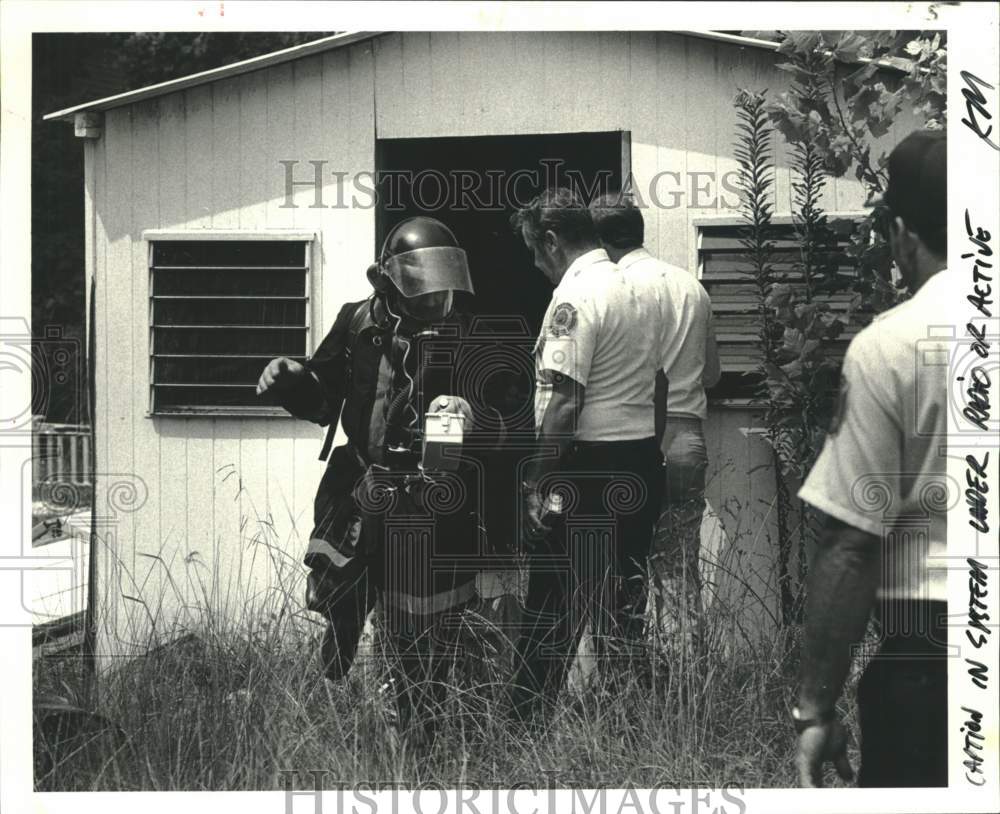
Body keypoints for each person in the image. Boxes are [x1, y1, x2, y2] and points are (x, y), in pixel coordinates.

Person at [256, 216, 504, 742]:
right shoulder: (356, 324)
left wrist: (473, 414)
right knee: (347, 599)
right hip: (364, 493)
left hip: (437, 503)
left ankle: (429, 727)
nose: (436, 303)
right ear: (387, 284)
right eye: (423, 292)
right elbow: (323, 399)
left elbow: (511, 419)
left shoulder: (471, 331)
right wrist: (291, 378)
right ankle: (376, 725)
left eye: (443, 292)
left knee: (427, 620)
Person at [793, 129, 950, 787]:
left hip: (933, 663)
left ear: (902, 234)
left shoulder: (891, 347)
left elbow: (852, 544)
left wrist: (816, 707)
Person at [507, 188, 669, 722]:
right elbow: (660, 383)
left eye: (535, 252)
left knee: (552, 605)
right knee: (622, 607)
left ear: (551, 241)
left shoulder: (575, 298)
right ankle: (634, 725)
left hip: (586, 470)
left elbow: (564, 402)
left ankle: (523, 729)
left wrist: (535, 486)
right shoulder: (640, 288)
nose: (537, 266)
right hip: (639, 461)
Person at [590, 192, 721, 666]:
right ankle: (687, 688)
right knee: (679, 568)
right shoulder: (691, 287)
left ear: (600, 240)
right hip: (685, 436)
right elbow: (711, 375)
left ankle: (623, 677)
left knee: (617, 567)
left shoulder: (609, 288)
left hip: (626, 440)